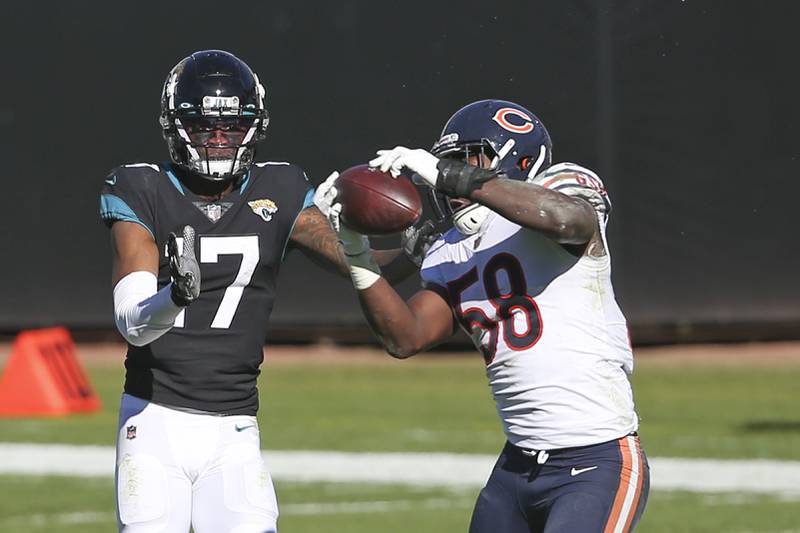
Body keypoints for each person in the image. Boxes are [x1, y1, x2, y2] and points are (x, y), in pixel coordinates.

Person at [99, 49, 406, 533]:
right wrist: (176, 295)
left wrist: (414, 247)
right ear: (177, 127)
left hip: (235, 427)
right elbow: (132, 324)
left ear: (255, 127)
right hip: (154, 421)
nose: (220, 140)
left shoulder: (280, 187)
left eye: (232, 127)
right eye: (204, 128)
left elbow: (360, 266)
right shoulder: (142, 188)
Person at [315, 99, 649, 532]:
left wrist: (451, 174)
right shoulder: (451, 247)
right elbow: (406, 337)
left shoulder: (562, 187)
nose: (449, 178)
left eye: (469, 158)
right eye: (448, 163)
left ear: (519, 158)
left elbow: (568, 220)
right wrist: (356, 253)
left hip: (596, 460)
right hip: (516, 466)